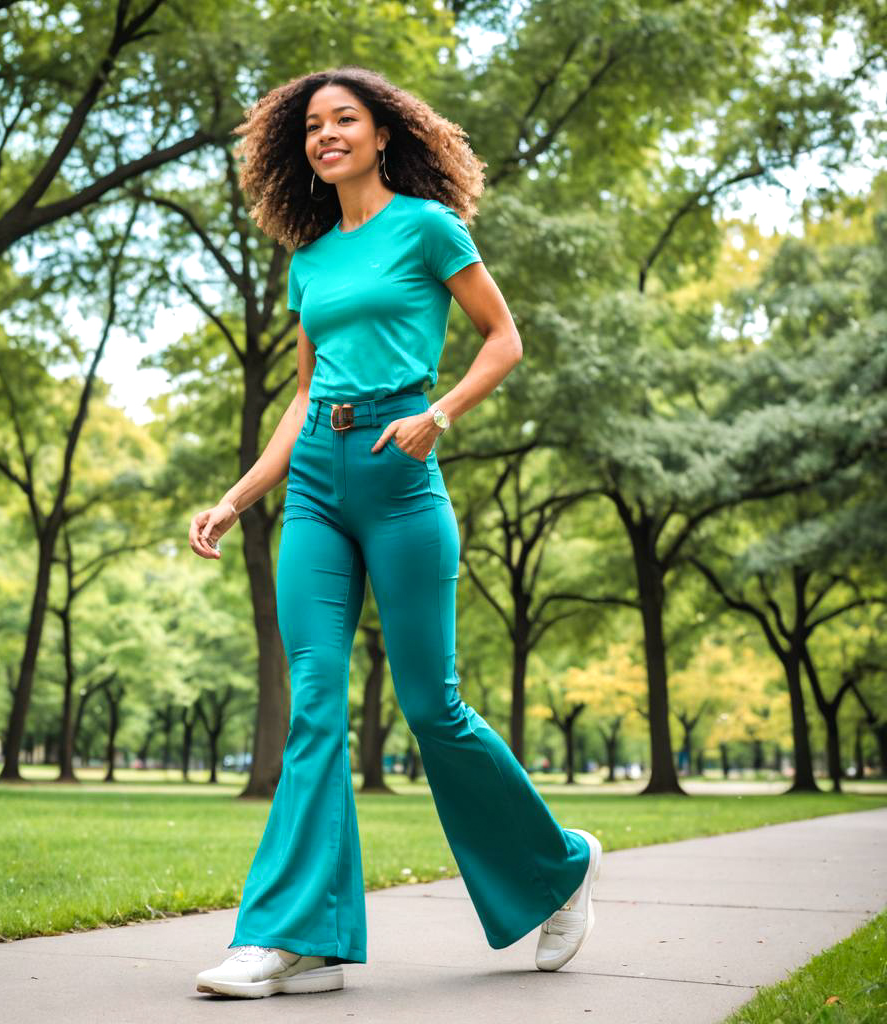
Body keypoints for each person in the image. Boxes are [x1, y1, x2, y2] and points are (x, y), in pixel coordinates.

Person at [190, 65, 602, 1000]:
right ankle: (297, 937)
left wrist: (440, 414)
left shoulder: (427, 226)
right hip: (318, 490)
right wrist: (240, 495)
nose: (325, 134)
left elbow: (504, 337)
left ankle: (561, 865)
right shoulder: (310, 260)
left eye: (345, 120)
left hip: (404, 476)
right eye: (311, 127)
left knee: (431, 707)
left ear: (383, 136)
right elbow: (304, 396)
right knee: (315, 705)